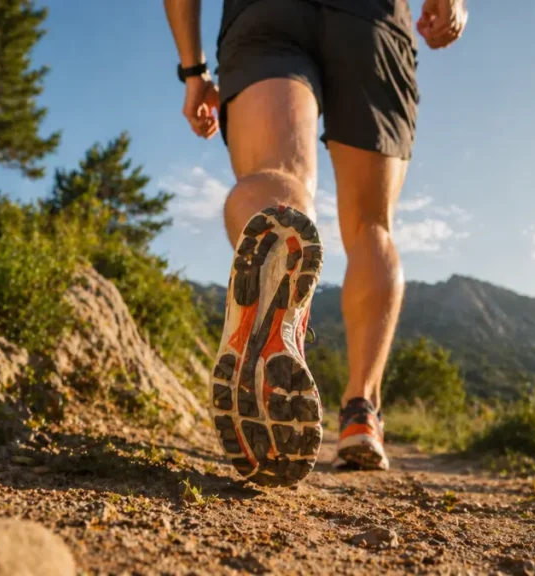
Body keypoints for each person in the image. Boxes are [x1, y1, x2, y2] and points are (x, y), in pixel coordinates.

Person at [164, 0, 468, 487]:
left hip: (265, 12)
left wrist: (194, 70)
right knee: (372, 224)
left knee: (275, 174)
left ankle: (271, 311)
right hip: (371, 18)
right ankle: (361, 412)